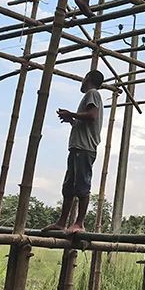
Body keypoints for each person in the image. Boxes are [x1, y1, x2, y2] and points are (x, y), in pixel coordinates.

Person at [44, 70, 105, 233]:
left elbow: (92, 115)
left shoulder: (93, 93)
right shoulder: (91, 96)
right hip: (78, 147)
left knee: (82, 185)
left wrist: (71, 113)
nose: (82, 82)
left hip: (84, 149)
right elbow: (87, 123)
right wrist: (72, 120)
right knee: (69, 186)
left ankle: (79, 223)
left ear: (88, 79)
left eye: (84, 78)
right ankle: (62, 222)